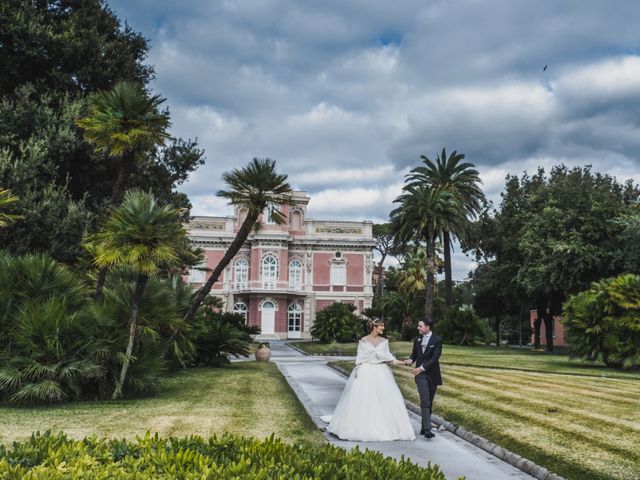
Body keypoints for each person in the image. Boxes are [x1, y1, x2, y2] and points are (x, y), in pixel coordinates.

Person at [321, 318, 415, 441]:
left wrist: (403, 363)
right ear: (375, 327)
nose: (383, 328)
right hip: (366, 372)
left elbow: (389, 358)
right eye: (381, 326)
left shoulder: (384, 341)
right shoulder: (363, 341)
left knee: (384, 399)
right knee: (363, 399)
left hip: (381, 372)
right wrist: (358, 372)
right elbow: (360, 359)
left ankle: (385, 427)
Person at [404, 318, 442, 438]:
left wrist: (421, 367)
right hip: (420, 375)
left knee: (429, 402)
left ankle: (423, 426)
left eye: (420, 326)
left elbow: (434, 358)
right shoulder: (417, 339)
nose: (418, 328)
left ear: (427, 327)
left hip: (432, 374)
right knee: (425, 400)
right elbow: (414, 354)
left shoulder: (437, 340)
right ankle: (427, 429)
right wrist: (410, 360)